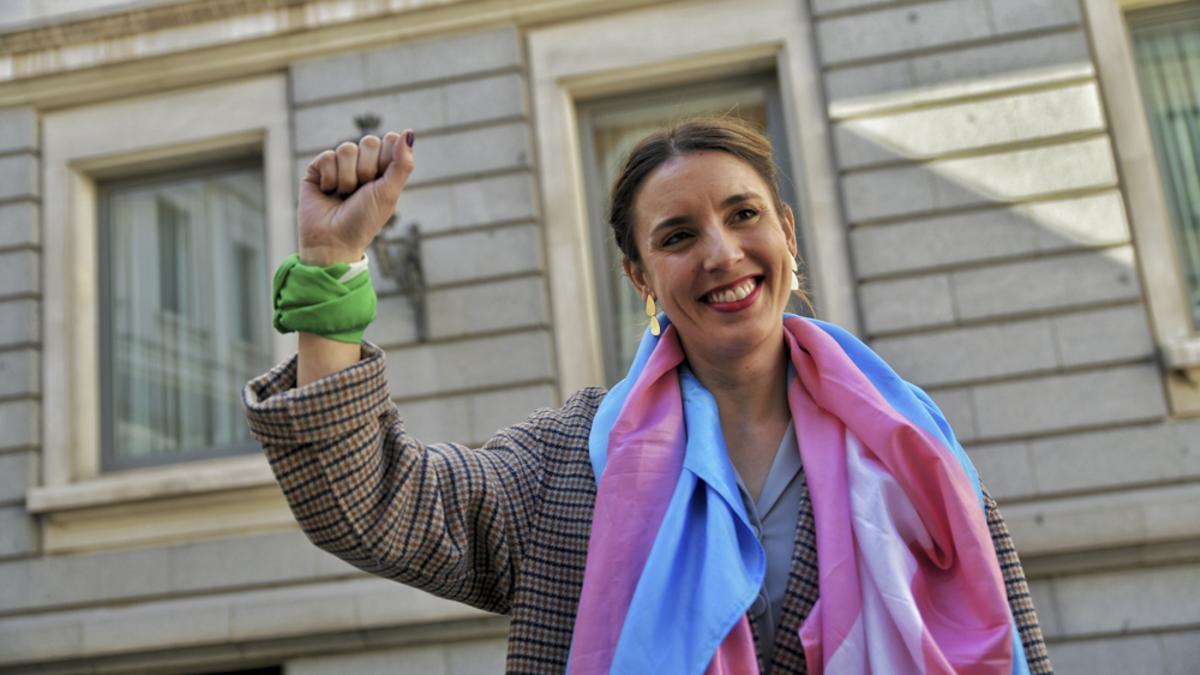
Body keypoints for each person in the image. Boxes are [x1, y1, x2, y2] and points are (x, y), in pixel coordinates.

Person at [245, 118, 1053, 674]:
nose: (723, 253)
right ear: (641, 277)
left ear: (788, 234)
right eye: (677, 236)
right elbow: (370, 503)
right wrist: (329, 266)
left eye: (744, 216)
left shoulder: (913, 448)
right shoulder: (570, 463)